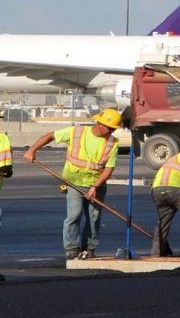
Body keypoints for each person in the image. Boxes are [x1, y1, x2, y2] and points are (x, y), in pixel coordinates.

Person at [24, 108, 121, 261]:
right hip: (73, 182)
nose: (112, 132)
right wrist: (32, 150)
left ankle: (89, 248)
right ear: (100, 124)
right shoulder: (77, 132)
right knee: (74, 215)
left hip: (96, 184)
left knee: (94, 218)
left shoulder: (112, 143)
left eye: (114, 129)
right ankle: (71, 249)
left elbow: (109, 169)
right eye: (111, 128)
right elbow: (49, 136)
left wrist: (95, 186)